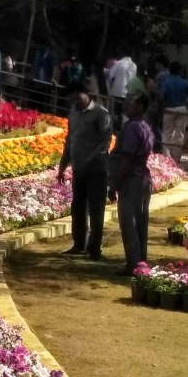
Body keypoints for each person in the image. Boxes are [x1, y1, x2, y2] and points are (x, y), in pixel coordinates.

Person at [58, 87, 112, 260]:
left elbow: (105, 143)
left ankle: (94, 248)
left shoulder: (101, 114)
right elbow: (70, 140)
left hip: (96, 170)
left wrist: (87, 161)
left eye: (78, 96)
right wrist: (63, 166)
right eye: (73, 97)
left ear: (89, 96)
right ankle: (79, 244)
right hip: (78, 170)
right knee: (78, 208)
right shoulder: (73, 113)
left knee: (96, 210)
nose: (75, 100)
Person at [109, 91, 155, 277]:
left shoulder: (132, 127)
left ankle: (134, 265)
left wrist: (114, 183)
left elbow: (127, 158)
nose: (127, 105)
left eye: (131, 103)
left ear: (141, 106)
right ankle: (140, 263)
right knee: (140, 223)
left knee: (129, 223)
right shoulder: (145, 127)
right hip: (143, 179)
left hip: (132, 179)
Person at [159, 61, 188, 163]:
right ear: (179, 70)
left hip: (169, 108)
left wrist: (162, 105)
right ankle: (176, 159)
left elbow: (161, 96)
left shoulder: (166, 81)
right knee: (180, 134)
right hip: (182, 109)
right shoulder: (183, 81)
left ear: (169, 70)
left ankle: (166, 158)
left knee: (166, 134)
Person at [106, 52, 137, 130]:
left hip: (117, 92)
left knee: (115, 112)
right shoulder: (134, 66)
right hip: (128, 93)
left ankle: (114, 129)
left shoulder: (119, 63)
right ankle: (123, 129)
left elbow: (110, 75)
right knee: (124, 112)